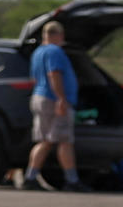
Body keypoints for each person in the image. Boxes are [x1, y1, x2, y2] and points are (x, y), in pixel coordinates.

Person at [24, 21, 81, 190]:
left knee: (44, 140)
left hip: (39, 97)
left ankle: (30, 177)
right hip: (52, 100)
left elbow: (34, 79)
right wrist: (61, 98)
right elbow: (53, 74)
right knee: (64, 140)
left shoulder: (38, 52)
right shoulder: (55, 51)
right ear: (59, 35)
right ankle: (72, 181)